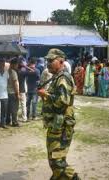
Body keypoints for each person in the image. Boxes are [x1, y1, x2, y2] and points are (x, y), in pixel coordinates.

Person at [38, 49, 81, 180]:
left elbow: (61, 103)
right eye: (47, 61)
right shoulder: (58, 77)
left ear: (61, 61)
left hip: (61, 126)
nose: (48, 63)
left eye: (51, 61)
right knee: (54, 160)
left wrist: (45, 95)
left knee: (57, 162)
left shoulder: (63, 78)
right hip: (56, 125)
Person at [6, 58, 20, 127]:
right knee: (14, 108)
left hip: (7, 92)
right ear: (14, 64)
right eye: (17, 64)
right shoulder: (13, 72)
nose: (17, 66)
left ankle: (7, 121)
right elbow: (15, 84)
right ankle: (14, 122)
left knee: (8, 108)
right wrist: (17, 94)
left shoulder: (6, 71)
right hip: (13, 92)